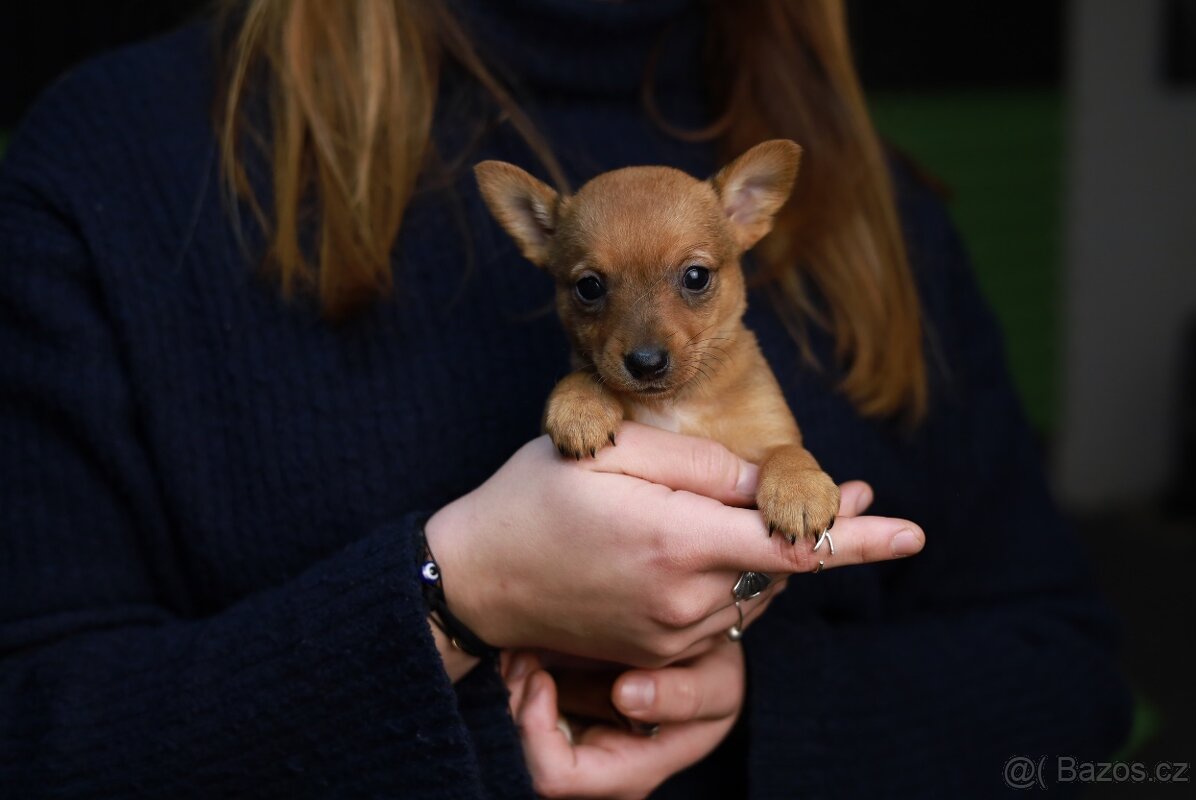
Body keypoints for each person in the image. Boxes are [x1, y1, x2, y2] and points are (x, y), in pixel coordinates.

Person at [0, 0, 1131, 797]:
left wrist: (745, 707)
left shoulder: (889, 206)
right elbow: (38, 739)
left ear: (747, 233)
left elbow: (1074, 686)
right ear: (548, 254)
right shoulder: (110, 164)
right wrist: (451, 601)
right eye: (594, 292)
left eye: (695, 281)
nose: (646, 341)